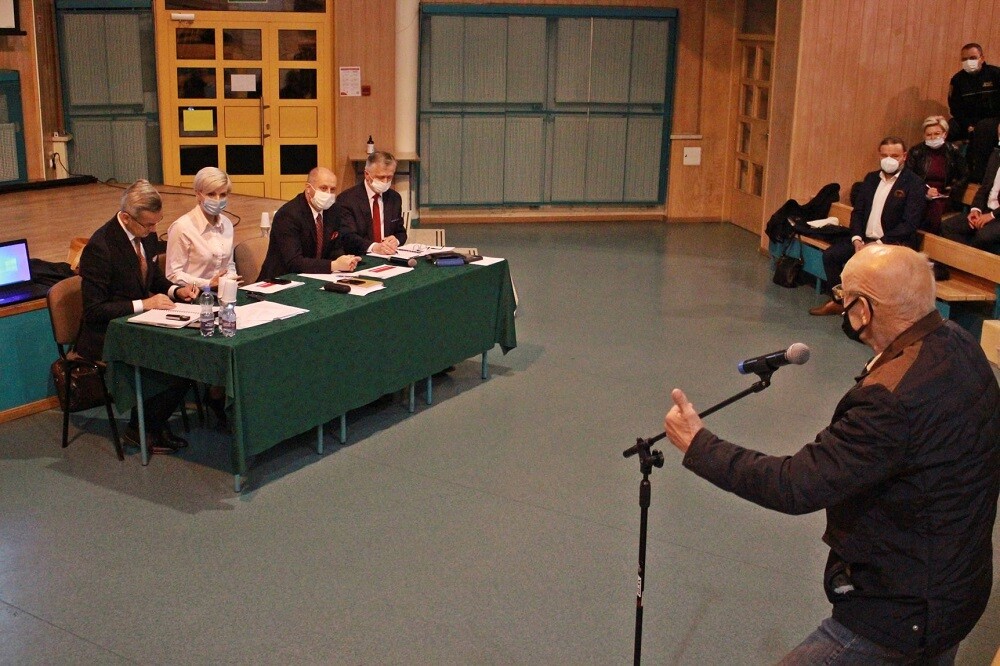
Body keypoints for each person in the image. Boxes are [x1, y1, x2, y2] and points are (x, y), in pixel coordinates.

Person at [665, 244, 999, 665]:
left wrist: (699, 444)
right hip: (959, 587)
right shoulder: (960, 344)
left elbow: (795, 485)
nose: (841, 307)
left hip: (902, 613)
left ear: (864, 309)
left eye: (844, 297)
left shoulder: (890, 399)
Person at [77, 180, 200, 453]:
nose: (154, 230)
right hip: (107, 333)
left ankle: (153, 424)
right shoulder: (101, 247)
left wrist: (176, 290)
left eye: (157, 223)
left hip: (141, 324)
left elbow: (152, 278)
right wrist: (143, 304)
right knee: (170, 364)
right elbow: (94, 310)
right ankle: (141, 429)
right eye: (148, 225)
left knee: (188, 358)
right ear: (126, 217)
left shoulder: (146, 234)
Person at [809, 137, 925, 316]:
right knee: (831, 256)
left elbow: (909, 224)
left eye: (894, 155)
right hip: (864, 240)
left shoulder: (914, 183)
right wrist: (857, 239)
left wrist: (878, 243)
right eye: (885, 155)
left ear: (904, 156)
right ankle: (840, 301)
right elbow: (858, 212)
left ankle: (868, 311)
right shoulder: (871, 179)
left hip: (892, 244)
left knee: (870, 268)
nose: (889, 159)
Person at [257, 167, 361, 281]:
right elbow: (294, 262)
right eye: (323, 188)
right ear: (308, 188)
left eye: (332, 190)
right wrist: (334, 265)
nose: (328, 194)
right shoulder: (288, 214)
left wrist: (345, 260)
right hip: (281, 279)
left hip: (316, 276)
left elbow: (335, 248)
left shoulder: (333, 210)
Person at [165, 166, 239, 289]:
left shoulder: (227, 224)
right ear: (198, 194)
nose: (217, 200)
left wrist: (230, 279)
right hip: (193, 294)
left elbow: (228, 264)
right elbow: (173, 275)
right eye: (211, 194)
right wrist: (208, 284)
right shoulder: (182, 227)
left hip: (222, 291)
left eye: (222, 195)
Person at [333, 150, 407, 257]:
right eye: (381, 177)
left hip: (389, 256)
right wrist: (374, 247)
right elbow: (347, 236)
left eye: (389, 177)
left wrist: (396, 240)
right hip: (360, 257)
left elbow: (401, 232)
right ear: (367, 175)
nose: (385, 181)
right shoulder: (346, 199)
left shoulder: (394, 198)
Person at [941, 124, 1000, 253]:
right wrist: (975, 209)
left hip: (997, 215)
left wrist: (991, 215)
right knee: (947, 226)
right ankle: (965, 260)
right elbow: (984, 188)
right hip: (986, 210)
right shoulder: (996, 155)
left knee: (983, 236)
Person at [905, 116, 968, 234]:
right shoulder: (916, 151)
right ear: (924, 135)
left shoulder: (953, 151)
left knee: (935, 208)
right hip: (920, 191)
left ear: (945, 134)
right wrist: (924, 191)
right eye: (929, 135)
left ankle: (926, 240)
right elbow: (908, 176)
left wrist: (951, 189)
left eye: (937, 133)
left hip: (943, 194)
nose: (933, 137)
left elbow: (964, 175)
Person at [947, 43, 1000, 182]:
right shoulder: (957, 80)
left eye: (972, 58)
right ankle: (949, 174)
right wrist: (967, 125)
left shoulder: (995, 74)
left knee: (983, 128)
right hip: (968, 122)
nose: (968, 62)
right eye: (964, 59)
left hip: (993, 121)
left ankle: (978, 174)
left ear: (982, 58)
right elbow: (955, 107)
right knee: (946, 129)